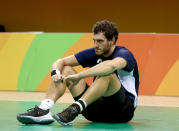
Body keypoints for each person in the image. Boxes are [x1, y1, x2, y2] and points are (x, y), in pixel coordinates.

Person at [17, 20, 139, 126]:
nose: (96, 45)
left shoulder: (124, 54)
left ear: (112, 40)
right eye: (94, 40)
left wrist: (79, 75)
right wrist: (55, 72)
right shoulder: (95, 52)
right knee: (65, 69)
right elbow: (61, 61)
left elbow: (111, 65)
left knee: (107, 74)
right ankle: (44, 109)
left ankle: (74, 109)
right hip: (95, 111)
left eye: (100, 41)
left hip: (121, 112)